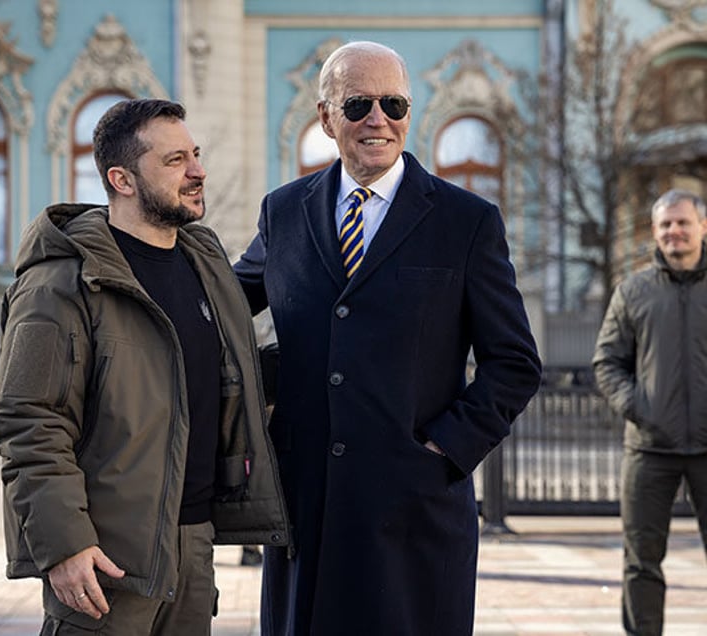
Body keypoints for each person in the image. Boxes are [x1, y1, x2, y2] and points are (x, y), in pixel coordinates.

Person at [234, 41, 542, 636]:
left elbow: (514, 363)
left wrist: (445, 449)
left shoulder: (466, 222)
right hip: (307, 510)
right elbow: (219, 307)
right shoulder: (285, 212)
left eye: (394, 103)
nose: (378, 119)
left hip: (413, 513)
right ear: (326, 117)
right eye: (358, 105)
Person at [0, 98, 289, 636]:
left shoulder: (207, 266)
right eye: (175, 161)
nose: (198, 171)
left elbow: (225, 376)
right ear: (122, 179)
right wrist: (64, 545)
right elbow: (29, 420)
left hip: (192, 549)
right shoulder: (60, 282)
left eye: (195, 155)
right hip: (104, 561)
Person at [593, 188, 707, 636]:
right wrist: (638, 408)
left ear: (702, 226)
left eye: (682, 222)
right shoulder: (633, 291)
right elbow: (607, 362)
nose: (673, 231)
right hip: (649, 449)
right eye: (665, 225)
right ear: (655, 233)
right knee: (641, 562)